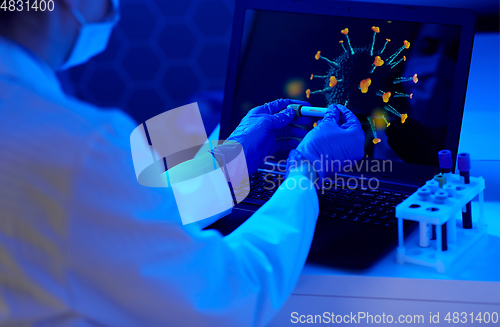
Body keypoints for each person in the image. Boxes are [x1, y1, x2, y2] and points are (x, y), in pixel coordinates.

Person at [0, 0, 364, 326]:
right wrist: (305, 172)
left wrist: (232, 159)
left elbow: (115, 218)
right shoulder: (82, 145)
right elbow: (227, 297)